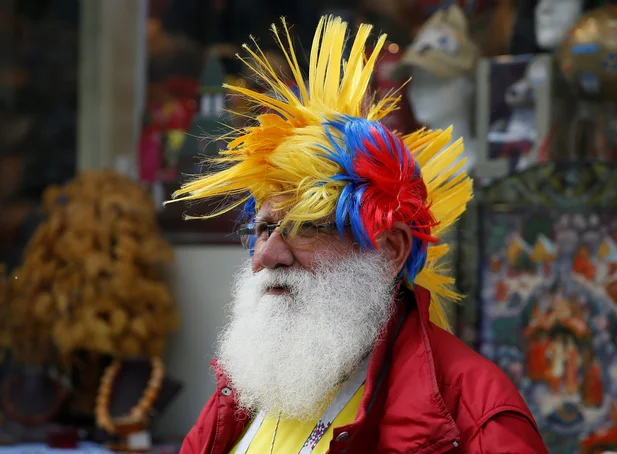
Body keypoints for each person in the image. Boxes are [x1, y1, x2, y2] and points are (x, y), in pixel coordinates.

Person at [170, 15, 548, 454]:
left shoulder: (477, 416)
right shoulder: (246, 390)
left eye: (306, 228)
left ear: (389, 250)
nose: (268, 255)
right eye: (265, 228)